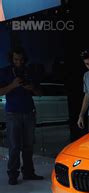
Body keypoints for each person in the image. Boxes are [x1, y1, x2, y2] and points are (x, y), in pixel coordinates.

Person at [0, 46, 43, 185]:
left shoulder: (30, 71)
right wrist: (12, 85)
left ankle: (29, 172)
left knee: (28, 145)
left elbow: (39, 92)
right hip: (12, 113)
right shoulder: (5, 72)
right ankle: (13, 175)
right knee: (14, 146)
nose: (19, 62)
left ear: (25, 59)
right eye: (16, 59)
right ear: (12, 59)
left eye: (21, 59)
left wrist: (32, 88)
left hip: (29, 112)